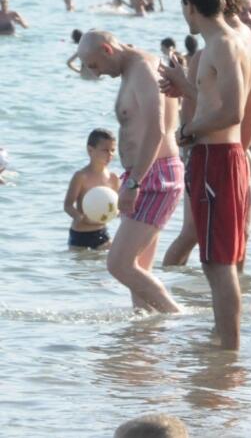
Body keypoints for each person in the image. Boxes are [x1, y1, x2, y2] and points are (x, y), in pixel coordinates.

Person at [76, 31, 184, 312]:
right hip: (147, 172)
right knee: (137, 276)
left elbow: (157, 129)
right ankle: (143, 344)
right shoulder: (134, 66)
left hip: (155, 175)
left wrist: (134, 182)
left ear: (107, 50)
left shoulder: (143, 69)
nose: (95, 74)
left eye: (95, 65)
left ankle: (179, 317)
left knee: (119, 264)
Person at [175, 0, 251, 350]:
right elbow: (216, 99)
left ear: (191, 7)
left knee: (217, 263)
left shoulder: (221, 44)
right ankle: (223, 342)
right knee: (221, 260)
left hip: (217, 158)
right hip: (225, 158)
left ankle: (227, 348)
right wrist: (186, 87)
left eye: (184, 8)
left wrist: (186, 132)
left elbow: (233, 112)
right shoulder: (232, 41)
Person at [63, 128, 120, 250]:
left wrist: (116, 213)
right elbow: (68, 205)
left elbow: (117, 206)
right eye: (105, 150)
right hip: (80, 234)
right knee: (80, 268)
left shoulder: (113, 178)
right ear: (90, 150)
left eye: (112, 150)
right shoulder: (81, 176)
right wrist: (80, 217)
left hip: (102, 232)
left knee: (105, 266)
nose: (109, 154)